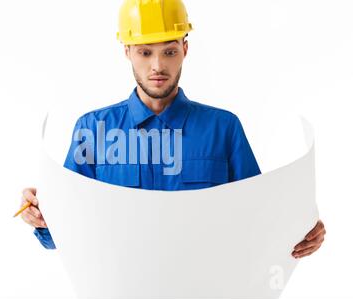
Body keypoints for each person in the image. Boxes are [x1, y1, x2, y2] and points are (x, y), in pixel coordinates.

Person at [19, 0, 325, 259]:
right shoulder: (93, 130)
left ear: (185, 49)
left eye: (168, 51)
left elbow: (259, 221)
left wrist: (303, 230)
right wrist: (41, 217)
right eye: (144, 52)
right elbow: (62, 237)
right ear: (127, 52)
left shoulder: (223, 128)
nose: (157, 66)